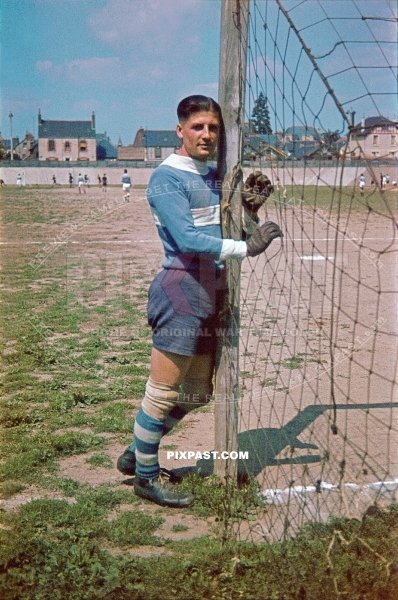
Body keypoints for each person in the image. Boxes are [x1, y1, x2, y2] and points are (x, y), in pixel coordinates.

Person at [116, 95, 283, 508]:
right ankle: (146, 477)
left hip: (213, 289)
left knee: (197, 393)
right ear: (180, 130)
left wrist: (247, 213)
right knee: (163, 390)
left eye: (213, 128)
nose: (206, 134)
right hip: (181, 288)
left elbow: (222, 226)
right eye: (197, 127)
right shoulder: (167, 178)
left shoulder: (214, 175)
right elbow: (190, 240)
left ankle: (139, 450)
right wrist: (248, 249)